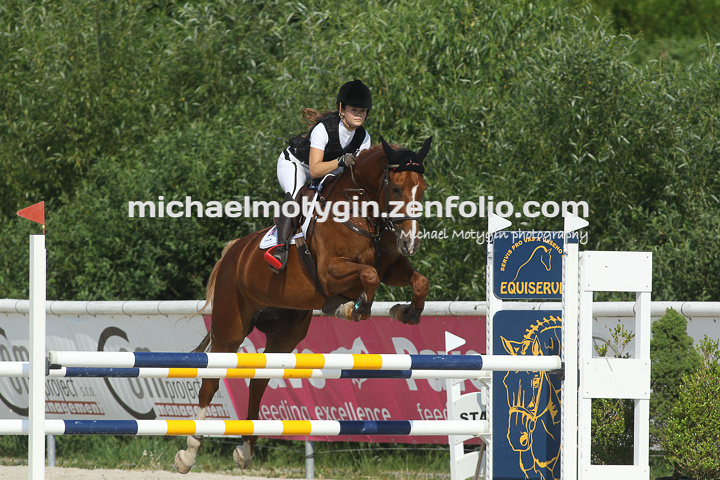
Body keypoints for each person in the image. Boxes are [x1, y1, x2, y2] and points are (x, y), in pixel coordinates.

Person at [265, 79, 373, 272]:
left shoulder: (364, 138)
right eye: (354, 110)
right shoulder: (324, 128)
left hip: (330, 170)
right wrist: (340, 161)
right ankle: (280, 250)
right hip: (297, 164)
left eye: (363, 110)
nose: (359, 114)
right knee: (295, 196)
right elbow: (315, 170)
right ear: (342, 109)